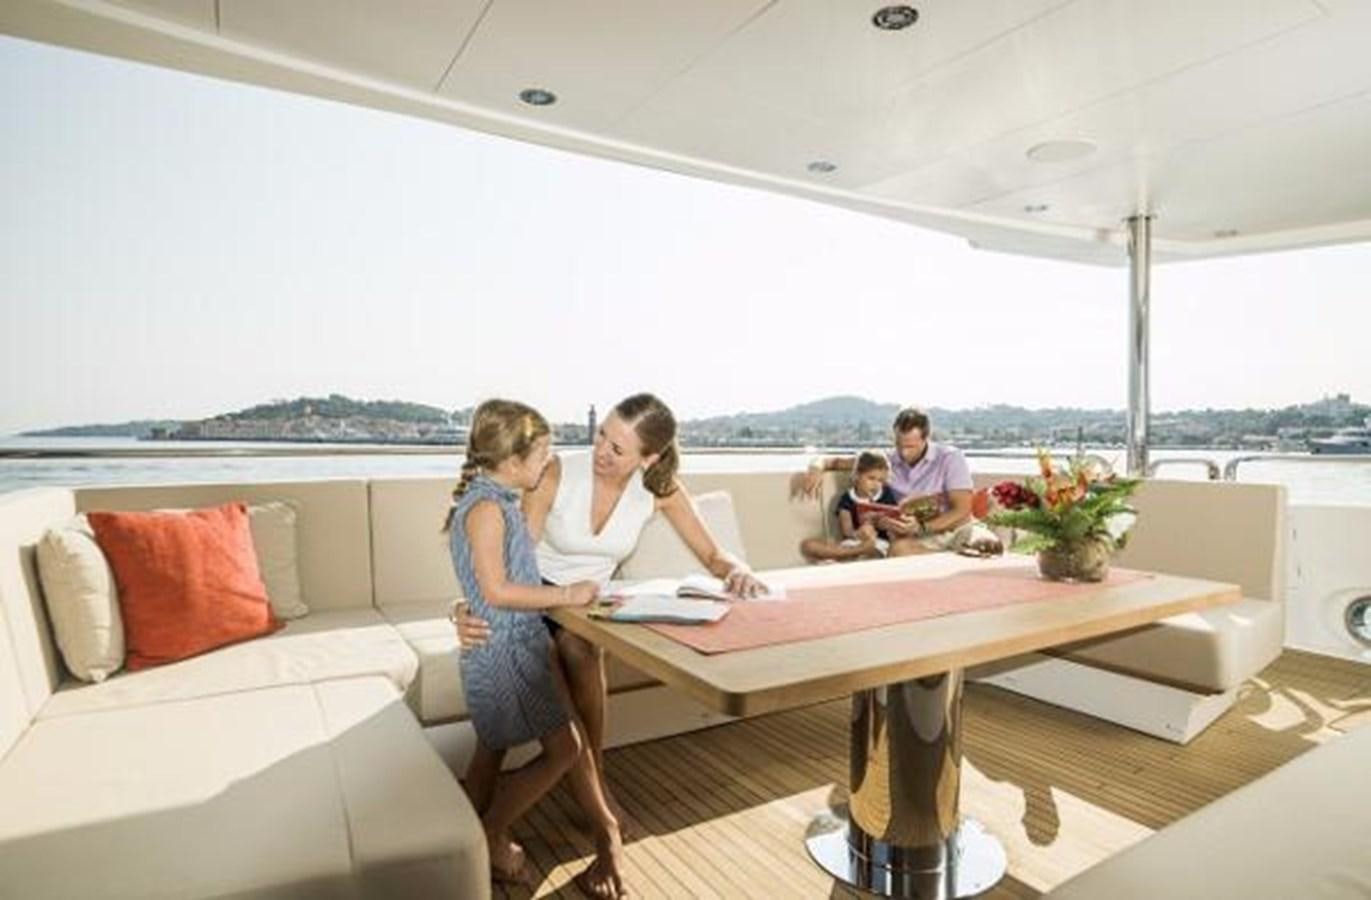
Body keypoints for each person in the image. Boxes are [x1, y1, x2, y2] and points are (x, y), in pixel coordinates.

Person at [456, 392, 766, 829]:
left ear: (648, 457)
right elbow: (509, 558)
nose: (601, 451)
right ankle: (598, 810)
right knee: (561, 656)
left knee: (580, 648)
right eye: (602, 434)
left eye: (617, 449)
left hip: (589, 605)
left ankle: (593, 780)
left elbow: (714, 556)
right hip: (537, 595)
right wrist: (466, 607)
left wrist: (738, 570)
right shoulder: (556, 471)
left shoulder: (661, 489)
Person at [444, 399, 625, 897]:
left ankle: (460, 853)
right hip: (506, 653)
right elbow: (498, 590)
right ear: (512, 460)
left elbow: (493, 578)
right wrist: (567, 594)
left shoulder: (499, 502)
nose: (548, 462)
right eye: (542, 453)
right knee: (564, 748)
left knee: (489, 751)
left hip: (506, 646)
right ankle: (486, 835)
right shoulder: (485, 511)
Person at [798, 407, 1002, 557]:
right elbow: (833, 461)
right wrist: (816, 466)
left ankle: (963, 552)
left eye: (911, 446)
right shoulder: (885, 462)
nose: (903, 453)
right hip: (922, 539)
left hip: (958, 529)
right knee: (898, 550)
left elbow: (962, 510)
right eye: (898, 445)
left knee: (987, 545)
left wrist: (921, 527)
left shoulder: (950, 457)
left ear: (926, 439)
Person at [800, 450, 899, 562]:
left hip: (878, 544)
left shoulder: (886, 494)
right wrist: (858, 534)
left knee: (870, 555)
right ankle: (852, 554)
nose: (876, 484)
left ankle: (842, 558)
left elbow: (895, 520)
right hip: (852, 544)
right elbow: (847, 531)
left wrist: (887, 525)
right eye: (871, 478)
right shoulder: (847, 498)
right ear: (857, 475)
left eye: (880, 480)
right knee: (808, 545)